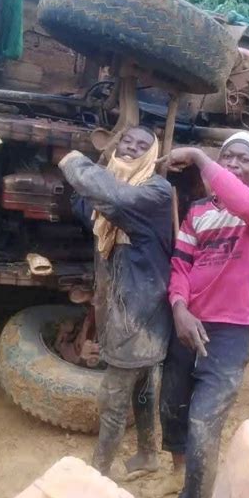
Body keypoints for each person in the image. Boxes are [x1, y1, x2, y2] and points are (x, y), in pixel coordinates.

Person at [159, 131, 249, 498]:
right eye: (226, 156)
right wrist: (179, 309)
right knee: (173, 408)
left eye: (243, 159)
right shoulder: (197, 212)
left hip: (229, 332)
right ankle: (180, 472)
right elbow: (180, 266)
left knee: (203, 422)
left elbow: (242, 202)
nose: (232, 163)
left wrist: (198, 155)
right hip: (187, 323)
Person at [58, 126, 173, 478]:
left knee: (113, 398)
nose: (131, 149)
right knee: (143, 386)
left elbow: (118, 199)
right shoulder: (114, 190)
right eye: (126, 141)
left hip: (139, 313)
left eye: (142, 146)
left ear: (151, 156)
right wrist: (99, 166)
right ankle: (148, 456)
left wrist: (75, 162)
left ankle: (99, 472)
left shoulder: (156, 191)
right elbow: (86, 205)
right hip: (128, 308)